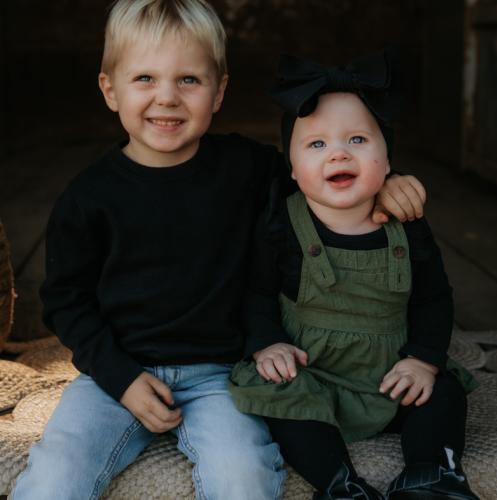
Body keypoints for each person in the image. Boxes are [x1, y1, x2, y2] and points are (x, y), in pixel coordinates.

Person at [10, 2, 426, 499]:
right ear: (110, 89)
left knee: (243, 475)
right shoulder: (88, 198)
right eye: (144, 78)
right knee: (56, 473)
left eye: (189, 79)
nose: (167, 97)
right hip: (113, 376)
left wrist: (385, 184)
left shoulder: (247, 168)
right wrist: (121, 379)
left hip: (223, 375)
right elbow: (66, 302)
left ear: (219, 91)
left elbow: (325, 174)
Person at [229, 51, 479, 500]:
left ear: (388, 160)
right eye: (316, 144)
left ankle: (432, 475)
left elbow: (433, 297)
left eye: (358, 139)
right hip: (309, 370)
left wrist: (422, 360)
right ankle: (339, 484)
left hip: (390, 373)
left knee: (443, 392)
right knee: (277, 394)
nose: (338, 153)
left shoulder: (407, 223)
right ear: (292, 168)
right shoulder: (281, 224)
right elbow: (257, 292)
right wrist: (268, 343)